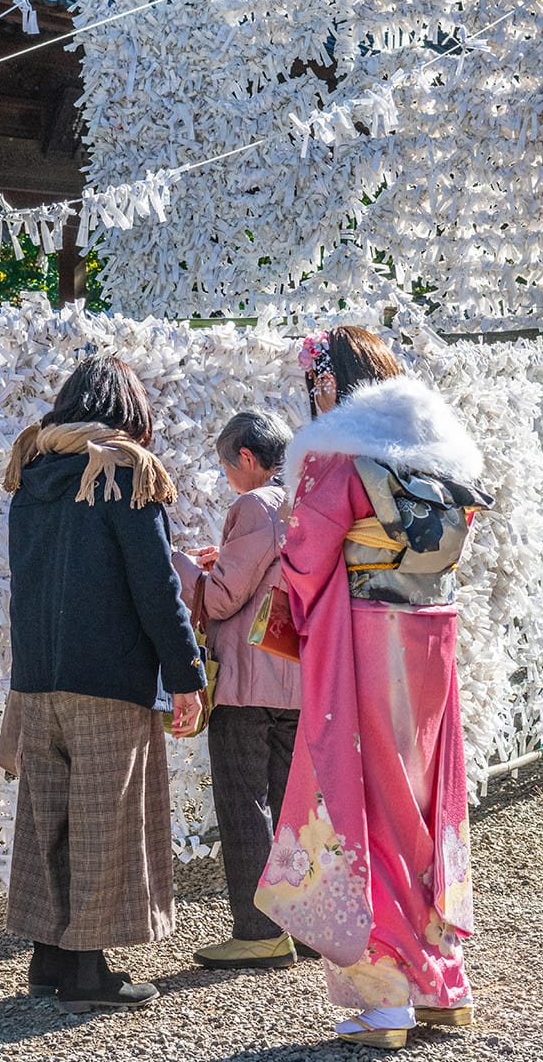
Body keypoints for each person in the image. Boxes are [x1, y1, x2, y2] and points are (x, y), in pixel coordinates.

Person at [254, 326, 491, 1050]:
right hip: (430, 627)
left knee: (366, 794)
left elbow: (306, 556)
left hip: (364, 631)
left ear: (331, 381)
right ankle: (441, 982)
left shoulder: (341, 452)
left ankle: (383, 991)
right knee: (422, 794)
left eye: (316, 383)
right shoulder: (433, 442)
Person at [0, 356, 206, 1012]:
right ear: (130, 415)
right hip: (107, 676)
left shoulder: (30, 471)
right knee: (103, 823)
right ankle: (88, 972)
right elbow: (157, 589)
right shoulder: (125, 471)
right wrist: (187, 677)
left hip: (38, 680)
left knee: (46, 820)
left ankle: (48, 958)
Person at [170, 409, 307, 971]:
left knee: (243, 803)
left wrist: (176, 564)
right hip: (296, 677)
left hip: (249, 681)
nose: (227, 477)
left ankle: (259, 932)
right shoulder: (304, 500)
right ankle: (302, 921)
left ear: (247, 459)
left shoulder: (256, 504)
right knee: (289, 807)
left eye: (227, 466)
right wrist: (220, 561)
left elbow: (222, 599)